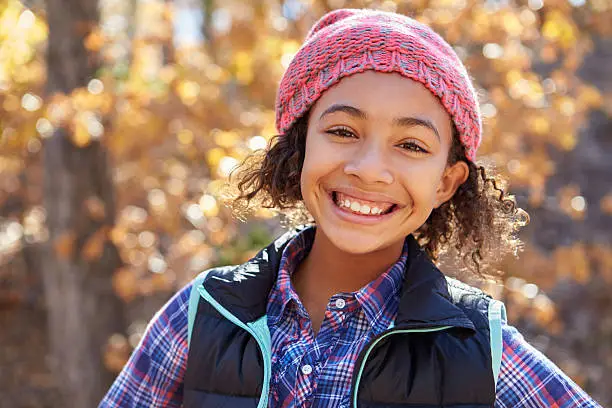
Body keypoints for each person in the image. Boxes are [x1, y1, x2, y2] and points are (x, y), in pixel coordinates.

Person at [100, 8, 601, 408]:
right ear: (300, 147)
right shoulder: (202, 315)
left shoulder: (479, 348)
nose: (368, 168)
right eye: (343, 132)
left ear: (447, 181)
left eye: (411, 145)